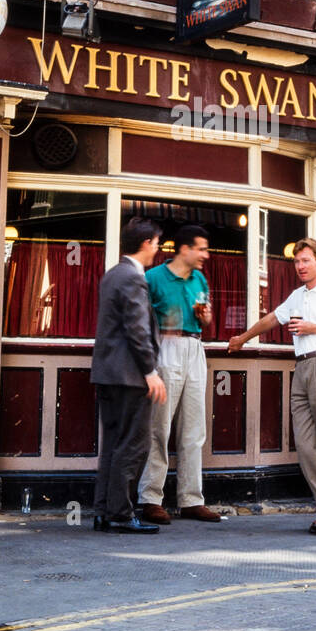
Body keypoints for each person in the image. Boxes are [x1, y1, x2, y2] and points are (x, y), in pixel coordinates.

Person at [229, 238, 316, 533]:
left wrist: (313, 328)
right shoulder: (296, 296)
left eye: (305, 260)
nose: (300, 266)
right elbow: (273, 318)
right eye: (297, 262)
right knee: (304, 443)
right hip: (302, 367)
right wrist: (243, 338)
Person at [138, 224, 222, 524]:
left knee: (194, 427)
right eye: (201, 248)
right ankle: (150, 497)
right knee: (159, 426)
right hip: (167, 345)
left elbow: (207, 315)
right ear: (184, 249)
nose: (206, 255)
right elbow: (140, 320)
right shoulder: (153, 278)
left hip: (195, 346)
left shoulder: (199, 278)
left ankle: (190, 499)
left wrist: (207, 316)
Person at [90, 218, 167, 533]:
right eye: (158, 243)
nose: (159, 249)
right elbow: (137, 329)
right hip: (130, 376)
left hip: (107, 374)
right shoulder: (134, 279)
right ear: (147, 242)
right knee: (134, 444)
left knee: (112, 444)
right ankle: (121, 514)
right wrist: (150, 371)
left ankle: (104, 511)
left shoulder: (112, 274)